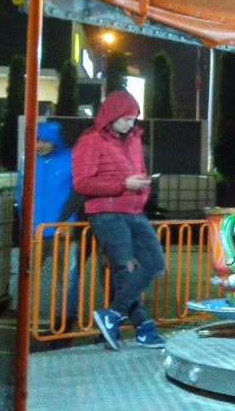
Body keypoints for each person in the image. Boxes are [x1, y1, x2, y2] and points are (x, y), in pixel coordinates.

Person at [71, 91, 166, 350]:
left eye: (133, 119)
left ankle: (112, 314)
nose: (130, 124)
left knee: (155, 262)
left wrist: (141, 188)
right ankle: (143, 327)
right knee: (126, 270)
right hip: (106, 212)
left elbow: (139, 170)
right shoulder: (91, 140)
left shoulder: (133, 139)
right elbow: (82, 182)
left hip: (133, 211)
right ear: (111, 116)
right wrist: (124, 184)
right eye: (126, 119)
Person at [15, 122, 80, 327]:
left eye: (44, 141)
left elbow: (78, 193)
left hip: (63, 231)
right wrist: (24, 221)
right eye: (36, 141)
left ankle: (67, 316)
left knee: (66, 276)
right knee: (28, 273)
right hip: (35, 231)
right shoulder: (29, 161)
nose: (39, 145)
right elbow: (20, 191)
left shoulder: (71, 158)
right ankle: (25, 313)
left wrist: (70, 222)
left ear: (56, 140)